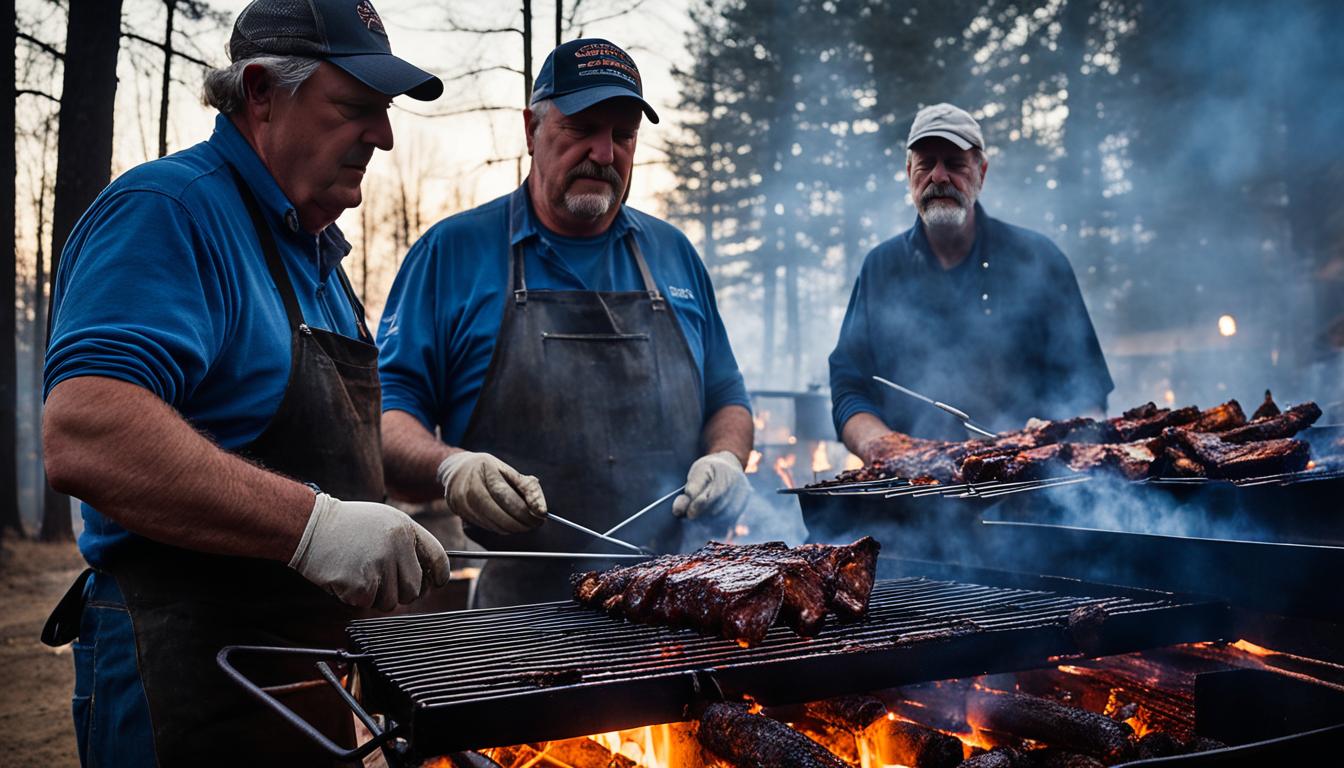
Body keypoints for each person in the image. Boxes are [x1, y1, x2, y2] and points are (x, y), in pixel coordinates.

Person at [39, 2, 449, 764]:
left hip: (304, 688)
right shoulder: (169, 211)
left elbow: (345, 451)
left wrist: (451, 471)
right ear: (260, 94)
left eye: (385, 113)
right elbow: (86, 430)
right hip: (184, 688)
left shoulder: (318, 256)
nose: (384, 136)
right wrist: (314, 528)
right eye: (356, 107)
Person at [378, 39, 754, 607]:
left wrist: (726, 457)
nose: (604, 153)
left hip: (676, 605)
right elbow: (386, 414)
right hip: (520, 615)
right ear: (531, 129)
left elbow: (727, 396)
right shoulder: (451, 252)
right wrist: (451, 466)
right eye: (582, 127)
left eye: (623, 135)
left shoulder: (673, 253)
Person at [829, 103, 1113, 459]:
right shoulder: (881, 267)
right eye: (926, 164)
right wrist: (883, 448)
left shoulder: (1040, 260)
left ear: (982, 172)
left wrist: (1062, 448)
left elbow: (1086, 389)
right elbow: (849, 386)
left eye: (955, 164)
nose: (939, 176)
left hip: (1028, 487)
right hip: (911, 494)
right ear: (909, 174)